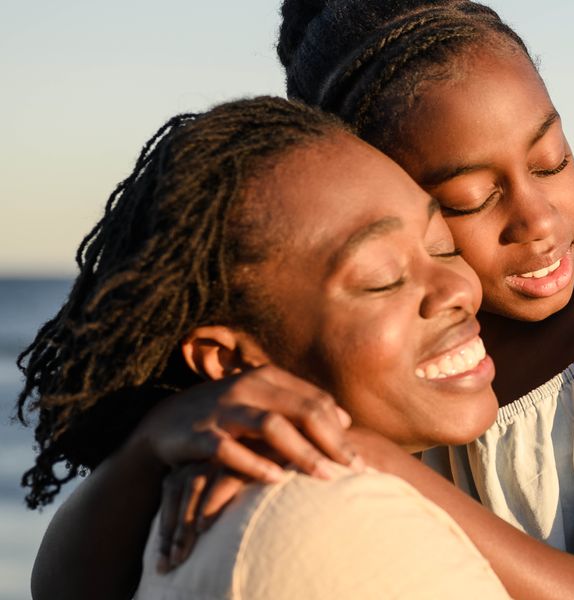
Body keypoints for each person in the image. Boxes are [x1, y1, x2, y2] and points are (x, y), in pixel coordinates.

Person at [31, 1, 574, 598]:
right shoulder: (391, 363)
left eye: (554, 161)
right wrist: (157, 437)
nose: (539, 222)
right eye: (464, 203)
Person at [18, 97, 509, 598]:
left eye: (442, 244)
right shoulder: (342, 529)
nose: (460, 289)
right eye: (382, 279)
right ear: (231, 360)